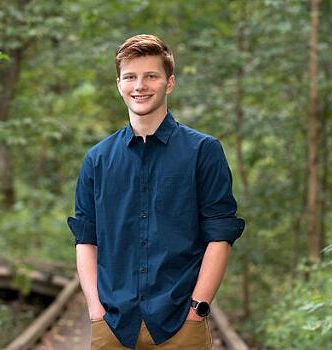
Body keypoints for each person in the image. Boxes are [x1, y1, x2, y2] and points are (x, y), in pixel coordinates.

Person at [67, 34, 245, 349]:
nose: (140, 85)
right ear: (119, 84)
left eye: (151, 76)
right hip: (113, 325)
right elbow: (86, 239)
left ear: (169, 83)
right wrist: (96, 310)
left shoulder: (203, 151)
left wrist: (198, 308)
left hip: (180, 324)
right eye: (130, 77)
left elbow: (219, 236)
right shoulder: (97, 159)